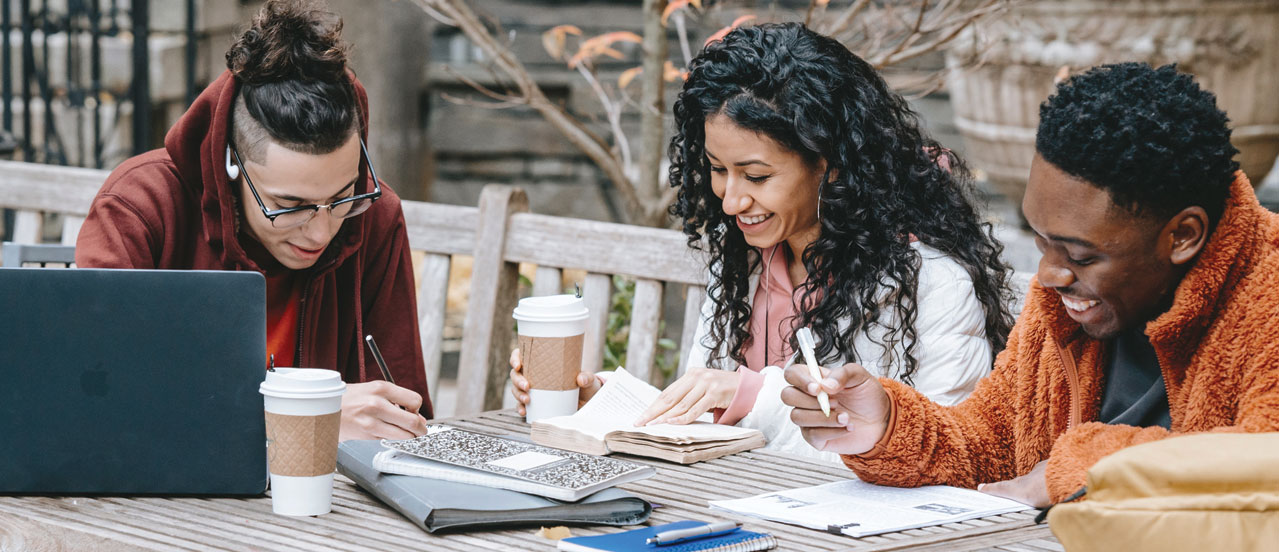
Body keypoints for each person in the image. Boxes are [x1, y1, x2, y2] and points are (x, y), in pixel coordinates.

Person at [510, 23, 1016, 462]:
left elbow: (938, 454)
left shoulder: (930, 283)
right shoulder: (742, 265)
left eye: (755, 175)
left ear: (831, 164)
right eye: (716, 170)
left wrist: (754, 395)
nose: (730, 201)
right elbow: (708, 421)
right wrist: (599, 402)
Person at [783, 62, 1279, 505]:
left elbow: (1261, 460)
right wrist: (885, 426)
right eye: (1041, 242)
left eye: (1082, 255)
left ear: (1183, 235)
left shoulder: (1265, 294)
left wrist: (1083, 468)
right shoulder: (1064, 304)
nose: (1049, 275)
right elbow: (991, 443)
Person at [76, 0, 431, 441]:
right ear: (231, 164)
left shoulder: (375, 216)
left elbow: (408, 415)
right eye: (291, 206)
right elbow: (93, 397)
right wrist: (307, 417)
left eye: (342, 198)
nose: (321, 231)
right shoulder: (141, 207)